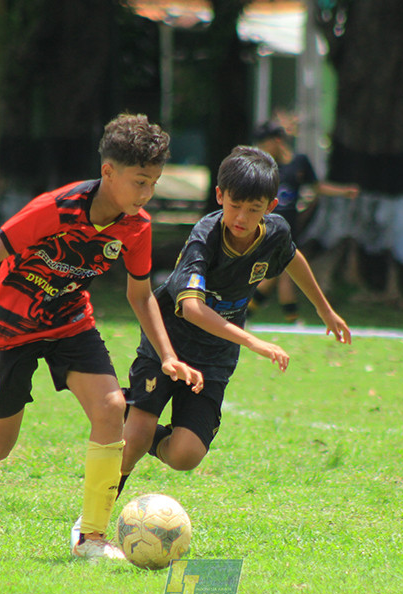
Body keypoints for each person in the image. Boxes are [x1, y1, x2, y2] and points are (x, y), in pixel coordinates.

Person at [0, 113, 204, 561]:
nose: (147, 194)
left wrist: (167, 354)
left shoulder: (137, 226)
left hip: (70, 322)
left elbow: (140, 294)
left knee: (112, 408)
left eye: (154, 183)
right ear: (108, 172)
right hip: (11, 327)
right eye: (139, 182)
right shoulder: (57, 208)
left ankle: (90, 538)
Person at [116, 145, 351, 495]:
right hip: (168, 344)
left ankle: (123, 408)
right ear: (220, 195)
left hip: (213, 357)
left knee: (185, 456)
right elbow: (192, 308)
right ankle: (93, 525)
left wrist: (324, 309)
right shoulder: (204, 239)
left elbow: (292, 257)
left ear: (270, 208)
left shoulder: (275, 232)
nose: (241, 217)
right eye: (234, 205)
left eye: (253, 209)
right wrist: (252, 340)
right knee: (133, 439)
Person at [250, 119, 358, 322]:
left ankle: (251, 315)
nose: (262, 148)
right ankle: (288, 319)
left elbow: (316, 186)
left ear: (278, 140)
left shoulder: (299, 163)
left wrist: (343, 191)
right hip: (268, 227)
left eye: (265, 143)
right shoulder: (263, 166)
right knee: (282, 272)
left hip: (289, 228)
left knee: (280, 273)